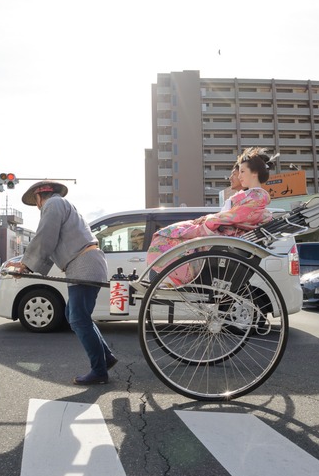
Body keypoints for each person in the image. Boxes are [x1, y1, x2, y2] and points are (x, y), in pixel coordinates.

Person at [16, 180, 117, 386]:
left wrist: (27, 265)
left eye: (36, 202)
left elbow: (45, 237)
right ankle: (106, 358)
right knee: (75, 315)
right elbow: (50, 241)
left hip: (84, 264)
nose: (37, 206)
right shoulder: (61, 204)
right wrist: (28, 264)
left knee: (79, 319)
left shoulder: (53, 204)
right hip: (85, 262)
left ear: (39, 197)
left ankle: (99, 371)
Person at [145, 149, 273, 284]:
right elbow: (233, 215)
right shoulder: (252, 195)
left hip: (223, 234)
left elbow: (235, 216)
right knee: (171, 233)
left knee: (169, 236)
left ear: (254, 173)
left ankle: (178, 276)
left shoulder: (257, 196)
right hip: (222, 231)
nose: (239, 176)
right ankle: (172, 276)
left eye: (242, 171)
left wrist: (209, 219)